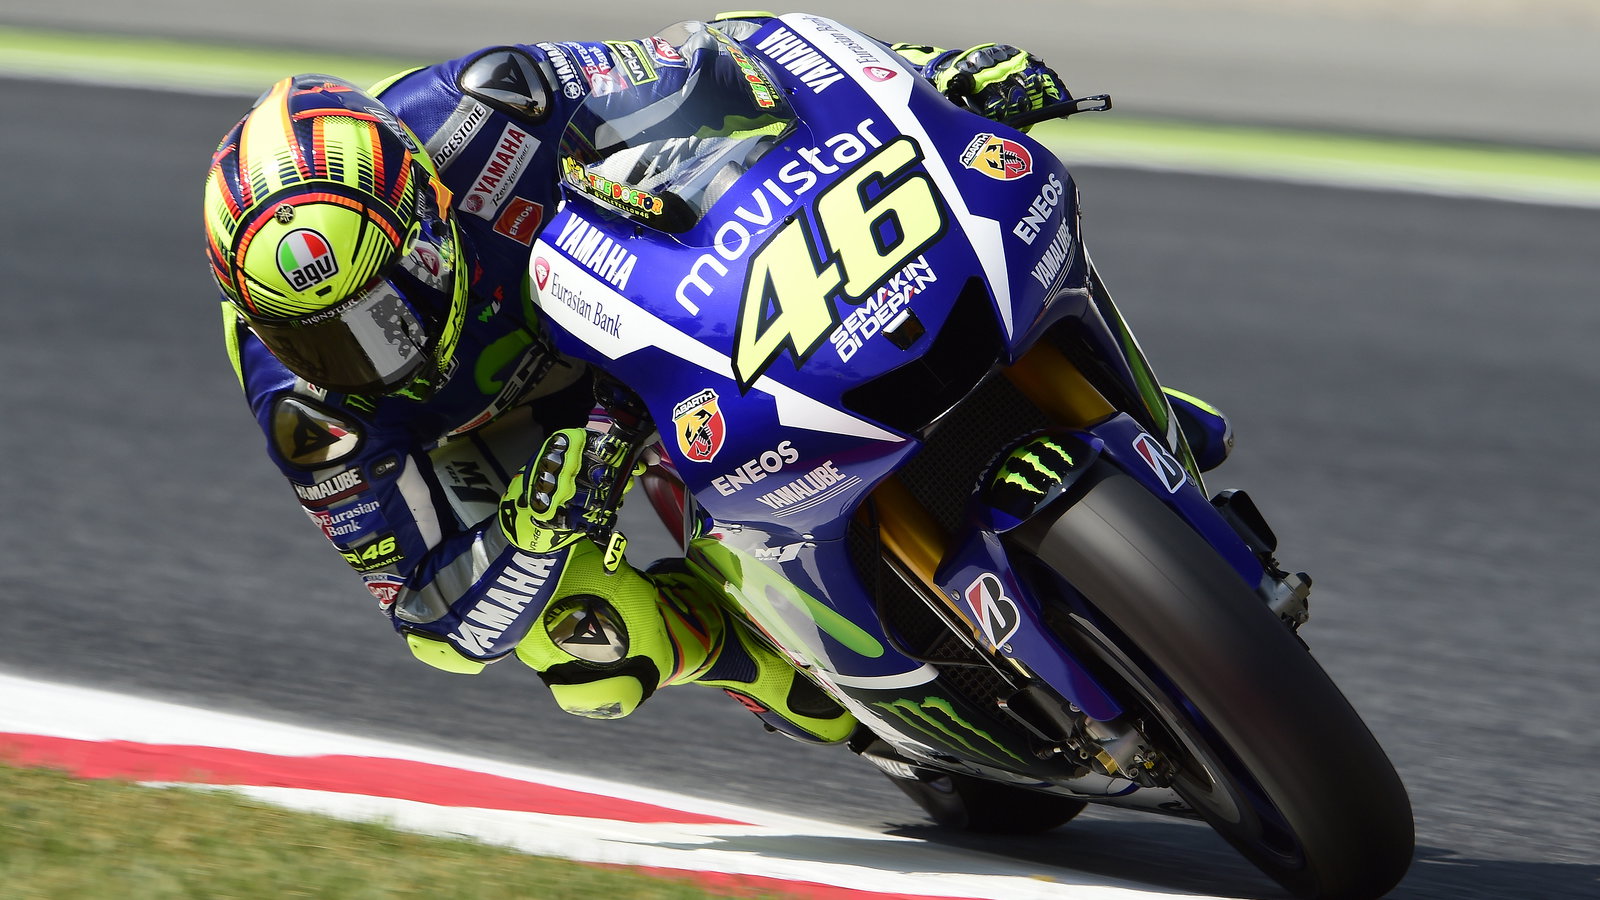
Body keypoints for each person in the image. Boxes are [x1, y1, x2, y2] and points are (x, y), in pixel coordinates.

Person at [203, 12, 1226, 744]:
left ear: (425, 216)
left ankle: (1096, 415)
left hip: (642, 306)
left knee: (955, 244)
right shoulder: (308, 412)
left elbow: (727, 66)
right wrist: (531, 537)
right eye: (317, 336)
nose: (368, 353)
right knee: (587, 651)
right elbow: (433, 625)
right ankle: (775, 666)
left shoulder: (488, 106)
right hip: (507, 441)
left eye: (381, 306)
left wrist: (928, 76)